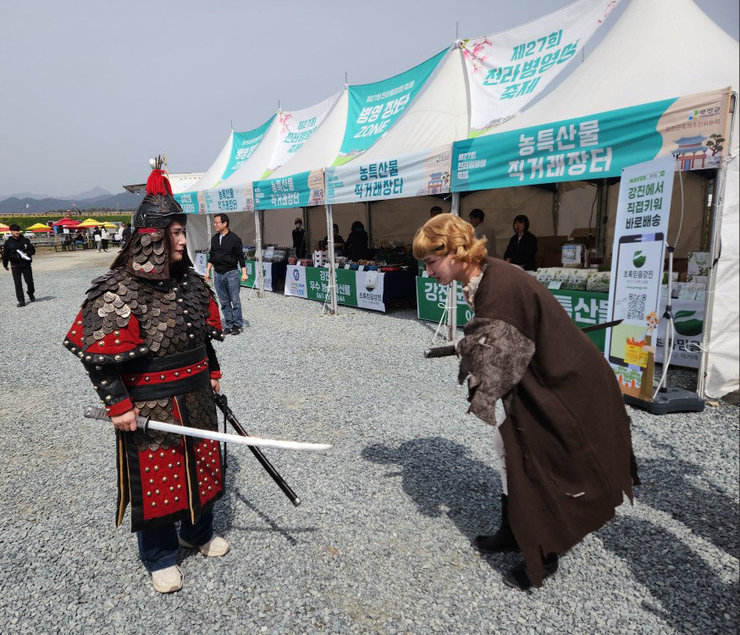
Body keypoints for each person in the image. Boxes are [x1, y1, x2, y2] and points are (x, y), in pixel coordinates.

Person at [412, 213, 638, 591]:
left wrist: (467, 345)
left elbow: (497, 348)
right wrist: (472, 342)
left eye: (431, 262)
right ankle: (513, 530)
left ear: (455, 251)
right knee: (507, 445)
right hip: (539, 372)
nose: (429, 271)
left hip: (565, 380)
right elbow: (496, 338)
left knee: (538, 454)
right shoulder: (482, 277)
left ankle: (544, 548)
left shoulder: (499, 283)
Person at [62, 166, 229, 594]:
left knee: (203, 468)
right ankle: (159, 555)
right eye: (174, 231)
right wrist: (118, 405)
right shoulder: (119, 289)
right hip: (152, 405)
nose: (180, 239)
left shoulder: (192, 284)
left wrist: (211, 372)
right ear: (150, 237)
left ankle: (198, 532)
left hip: (196, 398)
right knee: (159, 480)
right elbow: (98, 359)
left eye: (181, 230)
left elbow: (203, 337)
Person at [205, 213, 247, 335]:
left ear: (225, 223)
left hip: (231, 273)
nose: (215, 225)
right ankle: (229, 324)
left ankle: (237, 325)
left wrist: (244, 273)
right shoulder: (214, 239)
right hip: (218, 274)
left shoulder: (234, 239)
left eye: (217, 222)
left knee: (235, 300)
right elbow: (212, 256)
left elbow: (241, 257)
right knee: (224, 301)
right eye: (214, 222)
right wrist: (207, 271)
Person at [2, 223, 36, 307]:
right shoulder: (8, 243)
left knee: (29, 282)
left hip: (26, 265)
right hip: (15, 266)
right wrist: (5, 264)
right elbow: (5, 254)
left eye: (18, 230)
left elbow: (33, 251)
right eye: (14, 230)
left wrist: (27, 253)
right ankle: (21, 301)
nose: (17, 232)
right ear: (11, 231)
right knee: (18, 284)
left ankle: (30, 293)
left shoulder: (25, 240)